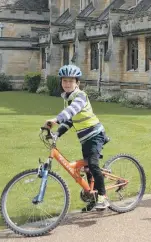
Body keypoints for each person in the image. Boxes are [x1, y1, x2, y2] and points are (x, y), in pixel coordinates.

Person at [44, 64, 109, 212]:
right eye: (64, 81)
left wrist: (56, 119)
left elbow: (72, 111)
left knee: (92, 164)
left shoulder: (80, 96)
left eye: (70, 81)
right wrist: (57, 133)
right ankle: (93, 197)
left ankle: (103, 197)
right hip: (85, 139)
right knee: (86, 169)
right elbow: (70, 120)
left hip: (95, 135)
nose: (67, 84)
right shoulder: (68, 98)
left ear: (77, 83)